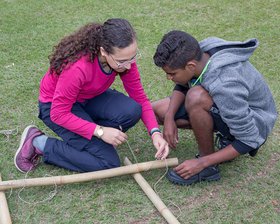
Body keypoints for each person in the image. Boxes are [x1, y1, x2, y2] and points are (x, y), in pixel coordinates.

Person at [14, 18, 169, 173]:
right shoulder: (77, 67)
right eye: (122, 61)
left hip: (89, 98)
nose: (129, 65)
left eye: (133, 57)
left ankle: (93, 142)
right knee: (107, 163)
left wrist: (155, 132)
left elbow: (140, 98)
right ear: (103, 51)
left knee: (133, 110)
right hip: (56, 108)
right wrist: (100, 131)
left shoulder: (124, 59)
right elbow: (59, 114)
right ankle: (37, 142)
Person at [152, 30, 277, 185]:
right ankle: (223, 135)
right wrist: (170, 117)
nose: (168, 77)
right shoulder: (201, 52)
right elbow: (183, 84)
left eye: (172, 73)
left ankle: (209, 168)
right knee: (157, 111)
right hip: (225, 105)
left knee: (195, 97)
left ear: (191, 66)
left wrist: (202, 163)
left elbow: (250, 139)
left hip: (255, 123)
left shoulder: (225, 83)